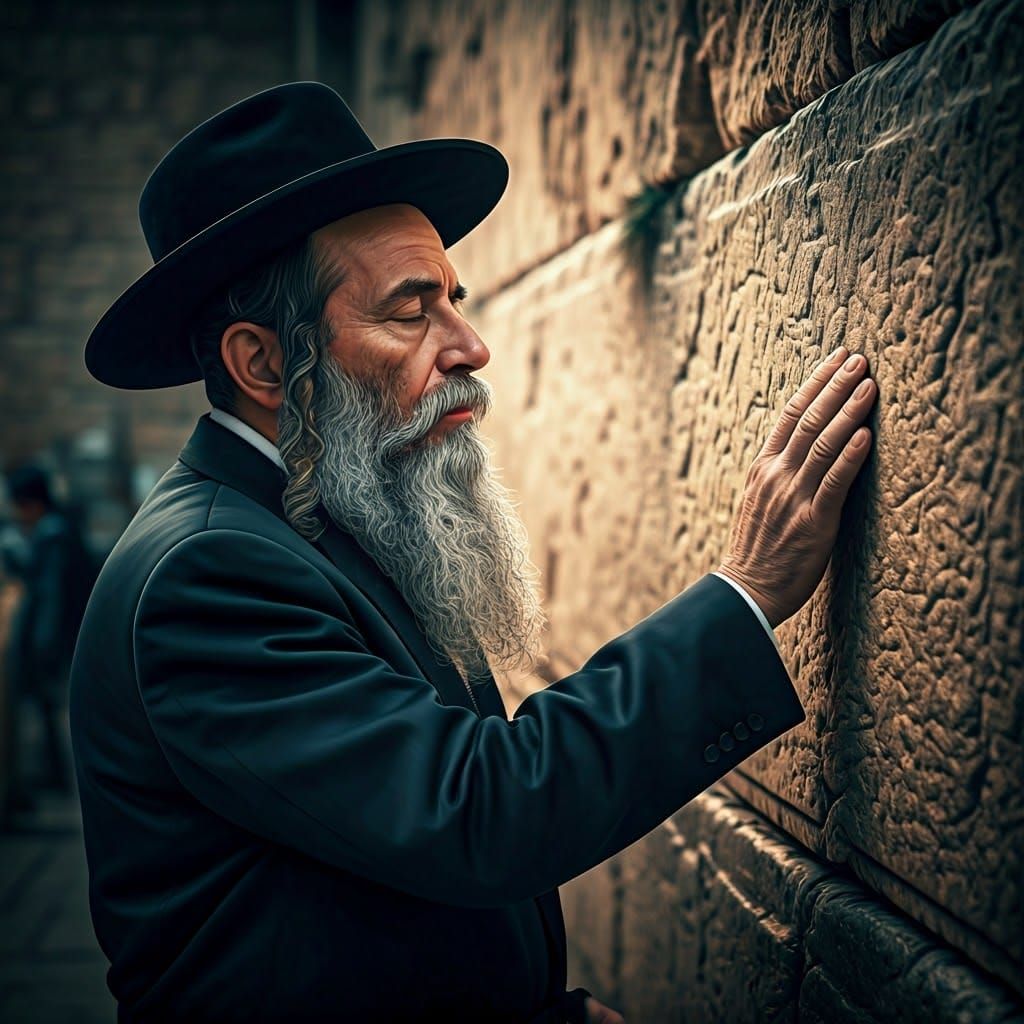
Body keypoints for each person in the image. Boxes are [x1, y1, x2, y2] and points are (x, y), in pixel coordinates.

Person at [69, 83, 877, 1023]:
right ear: (261, 366)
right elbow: (476, 810)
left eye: (454, 298)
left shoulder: (314, 520)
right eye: (411, 312)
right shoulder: (205, 578)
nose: (472, 346)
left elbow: (362, 899)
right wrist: (744, 594)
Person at [2, 465, 94, 817]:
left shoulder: (52, 537)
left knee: (54, 711)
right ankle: (55, 778)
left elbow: (52, 597)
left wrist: (43, 646)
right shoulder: (62, 532)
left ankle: (58, 781)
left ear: (32, 503)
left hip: (56, 646)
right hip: (63, 642)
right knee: (50, 712)